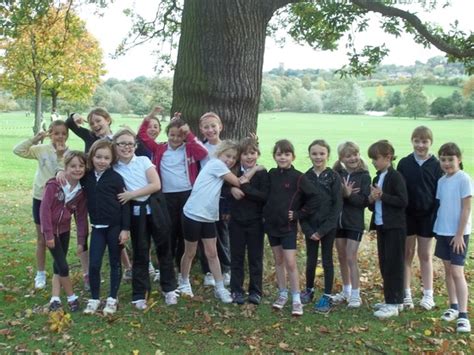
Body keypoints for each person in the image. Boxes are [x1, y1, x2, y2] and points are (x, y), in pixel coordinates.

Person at [178, 140, 260, 303]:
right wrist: (256, 168)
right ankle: (184, 282)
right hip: (193, 213)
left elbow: (228, 186)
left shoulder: (222, 169)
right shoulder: (215, 164)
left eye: (233, 158)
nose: (230, 160)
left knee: (212, 253)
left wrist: (232, 189)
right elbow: (240, 182)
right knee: (190, 252)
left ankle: (220, 287)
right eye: (227, 156)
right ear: (219, 154)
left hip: (208, 215)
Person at [112, 128, 178, 309]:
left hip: (155, 208)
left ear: (135, 145)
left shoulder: (143, 161)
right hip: (135, 214)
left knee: (164, 248)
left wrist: (131, 194)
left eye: (130, 144)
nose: (126, 147)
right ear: (115, 146)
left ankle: (169, 288)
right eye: (122, 144)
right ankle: (140, 293)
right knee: (141, 251)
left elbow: (155, 184)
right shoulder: (113, 167)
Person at [66, 108, 132, 282]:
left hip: (112, 187)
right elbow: (69, 125)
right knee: (87, 229)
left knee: (114, 231)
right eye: (92, 122)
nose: (95, 125)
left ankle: (128, 268)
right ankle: (88, 272)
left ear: (108, 120)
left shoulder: (118, 140)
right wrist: (74, 116)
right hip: (91, 186)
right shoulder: (90, 137)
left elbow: (132, 151)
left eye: (98, 121)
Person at [138, 113, 208, 273]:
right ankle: (166, 266)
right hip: (166, 196)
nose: (175, 139)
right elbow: (142, 136)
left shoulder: (189, 148)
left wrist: (188, 134)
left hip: (187, 195)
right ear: (167, 134)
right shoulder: (160, 148)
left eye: (179, 135)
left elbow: (203, 153)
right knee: (168, 230)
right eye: (172, 135)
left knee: (184, 231)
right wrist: (149, 117)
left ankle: (181, 266)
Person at [264, 139, 318, 316]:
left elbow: (314, 199)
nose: (283, 157)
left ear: (293, 156)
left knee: (290, 262)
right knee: (278, 260)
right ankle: (282, 293)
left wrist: (298, 214)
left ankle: (296, 298)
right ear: (274, 156)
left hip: (288, 227)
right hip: (272, 225)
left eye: (286, 154)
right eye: (279, 154)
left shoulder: (299, 177)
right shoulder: (271, 174)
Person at [13, 121, 69, 290]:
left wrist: (60, 156)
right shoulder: (41, 149)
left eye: (63, 133)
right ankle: (41, 273)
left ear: (67, 135)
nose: (60, 136)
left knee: (58, 238)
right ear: (50, 134)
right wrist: (35, 138)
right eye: (56, 133)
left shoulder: (69, 153)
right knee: (42, 239)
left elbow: (62, 175)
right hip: (40, 198)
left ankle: (59, 272)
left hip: (58, 200)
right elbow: (18, 150)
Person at [81, 140, 130, 315]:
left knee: (115, 262)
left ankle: (112, 298)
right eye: (98, 157)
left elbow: (125, 204)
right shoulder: (86, 177)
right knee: (94, 264)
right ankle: (94, 298)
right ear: (92, 156)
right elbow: (72, 171)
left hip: (114, 227)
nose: (102, 161)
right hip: (97, 228)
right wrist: (59, 172)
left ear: (112, 160)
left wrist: (125, 229)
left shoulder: (115, 178)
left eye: (106, 158)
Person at [396, 126, 443, 311]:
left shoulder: (437, 164)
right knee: (407, 254)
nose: (420, 145)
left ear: (430, 143)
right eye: (417, 141)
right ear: (412, 141)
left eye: (424, 141)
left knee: (425, 255)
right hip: (408, 215)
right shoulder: (404, 163)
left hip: (427, 216)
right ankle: (406, 293)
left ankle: (428, 295)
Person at [40, 151, 88, 312]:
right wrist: (47, 234)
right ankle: (71, 297)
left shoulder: (81, 191)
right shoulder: (54, 185)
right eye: (73, 166)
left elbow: (81, 218)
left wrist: (82, 241)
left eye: (81, 166)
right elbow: (44, 210)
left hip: (65, 230)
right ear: (65, 167)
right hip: (51, 232)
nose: (77, 169)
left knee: (57, 265)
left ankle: (55, 298)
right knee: (63, 266)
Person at [300, 140, 342, 313]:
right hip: (310, 226)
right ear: (309, 155)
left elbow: (337, 206)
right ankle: (308, 290)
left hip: (328, 227)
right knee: (310, 260)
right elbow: (300, 206)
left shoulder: (333, 177)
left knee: (327, 261)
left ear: (328, 155)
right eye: (314, 153)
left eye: (321, 153)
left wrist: (323, 230)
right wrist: (308, 230)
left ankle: (326, 296)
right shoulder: (305, 177)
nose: (318, 157)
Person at [433, 143, 472, 333]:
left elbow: (466, 208)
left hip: (459, 234)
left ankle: (464, 316)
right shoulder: (441, 181)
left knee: (457, 272)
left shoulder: (464, 179)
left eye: (451, 159)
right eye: (443, 159)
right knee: (448, 271)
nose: (447, 163)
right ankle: (453, 306)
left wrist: (459, 234)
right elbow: (443, 206)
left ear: (459, 159)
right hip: (443, 231)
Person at [368, 140, 408, 319]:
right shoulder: (377, 178)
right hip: (382, 226)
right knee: (384, 263)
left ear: (388, 157)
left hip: (395, 227)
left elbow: (402, 201)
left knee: (394, 264)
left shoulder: (395, 177)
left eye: (376, 158)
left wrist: (383, 196)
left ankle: (394, 301)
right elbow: (374, 205)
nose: (373, 162)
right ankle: (392, 299)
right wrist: (372, 198)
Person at [228, 137, 269, 305]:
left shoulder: (262, 173)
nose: (249, 157)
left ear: (257, 154)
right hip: (236, 221)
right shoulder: (233, 172)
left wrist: (245, 187)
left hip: (256, 221)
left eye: (252, 153)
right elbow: (222, 186)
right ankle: (236, 290)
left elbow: (263, 196)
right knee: (236, 257)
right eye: (245, 154)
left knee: (255, 257)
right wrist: (231, 189)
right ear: (240, 156)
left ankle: (255, 291)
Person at [332, 141, 371, 308]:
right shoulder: (336, 174)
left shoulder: (364, 176)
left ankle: (356, 294)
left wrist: (348, 195)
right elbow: (331, 197)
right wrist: (341, 193)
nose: (353, 158)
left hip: (354, 223)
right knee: (341, 257)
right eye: (348, 156)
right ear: (342, 158)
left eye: (355, 154)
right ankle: (346, 291)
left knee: (350, 256)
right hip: (338, 223)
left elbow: (363, 201)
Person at [198, 112, 231, 286]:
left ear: (220, 127)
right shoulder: (200, 149)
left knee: (222, 233)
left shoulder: (227, 148)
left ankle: (226, 268)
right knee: (206, 235)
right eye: (206, 127)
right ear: (201, 130)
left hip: (223, 196)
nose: (210, 130)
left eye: (213, 126)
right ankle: (208, 271)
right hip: (205, 198)